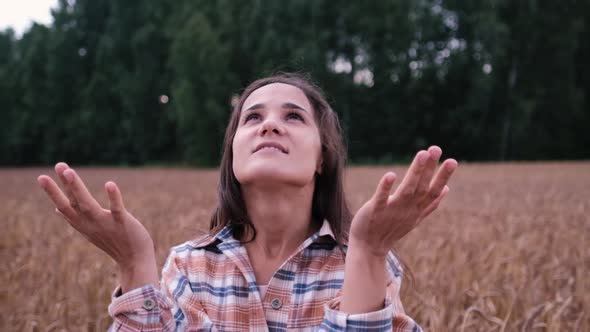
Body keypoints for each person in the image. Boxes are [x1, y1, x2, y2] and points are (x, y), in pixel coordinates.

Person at [37, 72, 457, 331]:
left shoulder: (366, 261)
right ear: (233, 153)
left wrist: (367, 252)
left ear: (322, 157)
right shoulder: (189, 267)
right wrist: (134, 263)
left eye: (293, 116)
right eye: (252, 117)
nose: (270, 124)